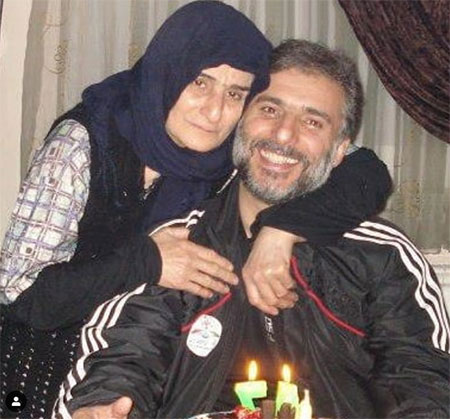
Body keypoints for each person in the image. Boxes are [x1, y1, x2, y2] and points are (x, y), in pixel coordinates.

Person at [0, 2, 391, 417]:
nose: (215, 110)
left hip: (138, 364)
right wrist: (149, 261)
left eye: (235, 93)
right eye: (200, 82)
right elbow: (19, 295)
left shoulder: (230, 150)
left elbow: (364, 171)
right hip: (37, 369)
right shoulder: (84, 143)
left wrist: (280, 232)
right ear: (169, 72)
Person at [56, 39, 449, 419]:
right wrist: (103, 404)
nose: (284, 134)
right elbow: (125, 354)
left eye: (312, 121)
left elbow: (421, 377)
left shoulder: (381, 255)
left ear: (339, 151)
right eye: (270, 109)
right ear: (240, 121)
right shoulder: (177, 244)